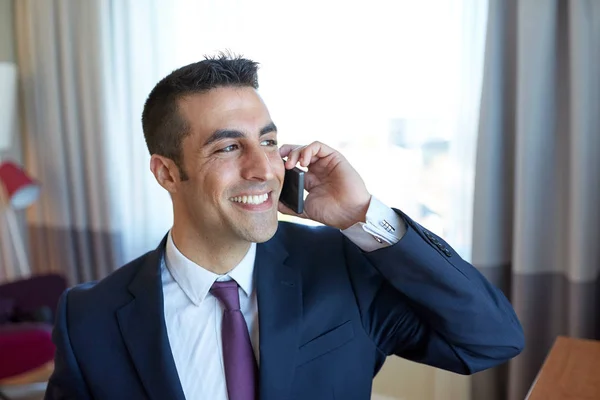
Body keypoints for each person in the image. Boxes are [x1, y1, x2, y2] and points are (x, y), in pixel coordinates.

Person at [44, 54, 523, 400]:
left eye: (268, 141)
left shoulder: (342, 268)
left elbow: (490, 340)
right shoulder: (88, 318)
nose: (264, 169)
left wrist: (361, 215)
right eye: (228, 148)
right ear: (167, 173)